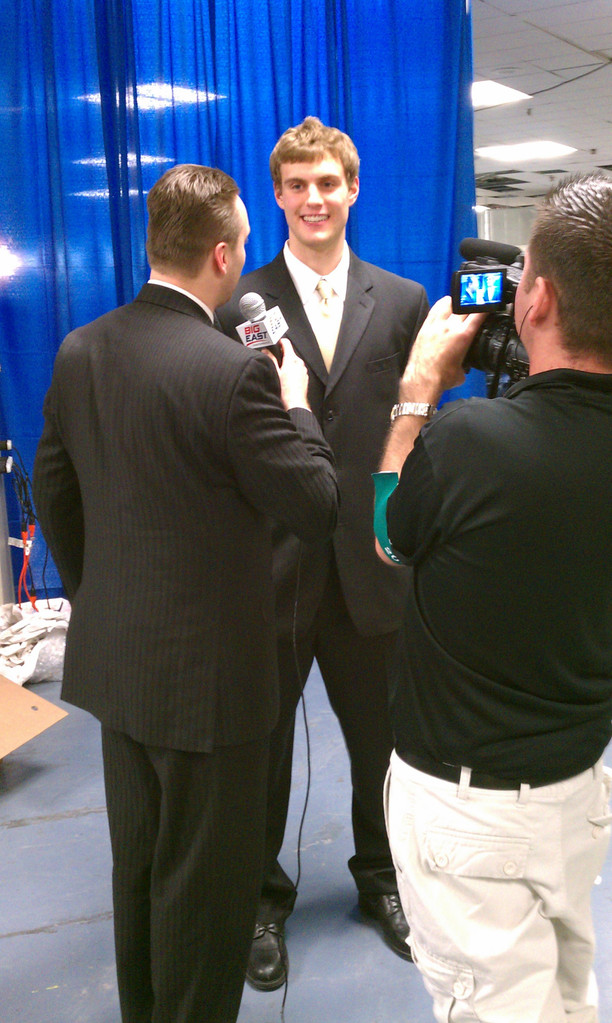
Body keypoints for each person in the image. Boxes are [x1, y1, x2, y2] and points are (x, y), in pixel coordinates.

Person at [32, 164, 338, 1023]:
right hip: (211, 690)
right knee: (203, 901)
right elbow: (315, 506)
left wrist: (105, 596)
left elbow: (53, 490)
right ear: (221, 253)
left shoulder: (80, 347)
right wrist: (299, 408)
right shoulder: (235, 373)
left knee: (139, 871)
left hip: (117, 668)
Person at [376, 172, 612, 1022]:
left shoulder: (470, 440)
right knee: (566, 994)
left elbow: (390, 534)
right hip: (578, 787)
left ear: (536, 297)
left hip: (470, 813)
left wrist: (416, 397)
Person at [217, 116, 429, 988]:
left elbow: (414, 433)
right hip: (270, 566)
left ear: (353, 189)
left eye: (328, 184)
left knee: (385, 744)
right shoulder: (235, 305)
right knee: (261, 745)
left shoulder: (405, 301)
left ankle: (384, 882)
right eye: (298, 186)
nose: (314, 200)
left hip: (372, 569)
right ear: (277, 195)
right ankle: (259, 900)